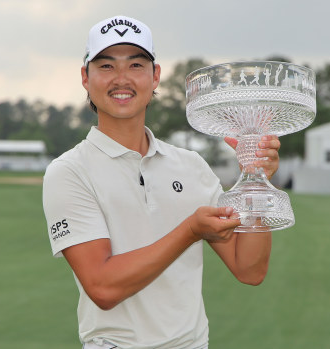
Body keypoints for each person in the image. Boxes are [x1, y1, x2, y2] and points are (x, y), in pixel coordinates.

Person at [42, 15, 282, 349]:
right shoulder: (69, 171)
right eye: (107, 66)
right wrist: (189, 232)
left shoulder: (191, 165)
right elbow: (102, 287)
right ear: (86, 77)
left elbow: (249, 269)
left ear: (155, 76)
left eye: (136, 65)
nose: (122, 79)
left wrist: (256, 182)